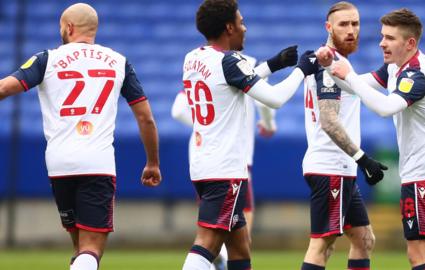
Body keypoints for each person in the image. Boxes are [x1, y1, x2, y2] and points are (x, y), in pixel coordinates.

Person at [0, 3, 161, 270]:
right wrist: (152, 162)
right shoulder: (119, 62)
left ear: (69, 27)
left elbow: (5, 88)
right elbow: (146, 117)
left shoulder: (46, 59)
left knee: (79, 249)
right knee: (91, 249)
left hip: (59, 163)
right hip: (97, 163)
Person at [317, 8, 425, 270]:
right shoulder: (396, 67)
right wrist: (330, 67)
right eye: (382, 36)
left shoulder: (416, 75)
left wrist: (349, 75)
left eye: (390, 38)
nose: (381, 43)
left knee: (419, 253)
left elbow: (385, 107)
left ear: (410, 43)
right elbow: (359, 85)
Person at [181, 0, 319, 269]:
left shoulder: (193, 57)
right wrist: (302, 69)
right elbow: (275, 98)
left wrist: (274, 64)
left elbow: (230, 81)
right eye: (241, 22)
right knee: (208, 242)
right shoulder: (230, 61)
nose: (245, 28)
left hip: (203, 163)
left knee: (240, 248)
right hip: (226, 168)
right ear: (229, 27)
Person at [172, 50, 289, 270]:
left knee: (235, 241)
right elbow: (267, 102)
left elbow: (178, 110)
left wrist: (205, 128)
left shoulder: (196, 64)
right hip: (233, 162)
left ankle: (220, 260)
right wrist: (269, 124)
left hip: (201, 159)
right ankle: (219, 261)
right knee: (216, 240)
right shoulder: (246, 64)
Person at [301, 2, 387, 270]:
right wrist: (363, 159)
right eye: (344, 24)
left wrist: (394, 64)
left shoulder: (335, 62)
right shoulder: (328, 63)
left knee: (363, 239)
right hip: (331, 167)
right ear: (328, 27)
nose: (352, 30)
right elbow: (329, 121)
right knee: (322, 244)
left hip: (340, 168)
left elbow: (358, 84)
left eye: (355, 23)